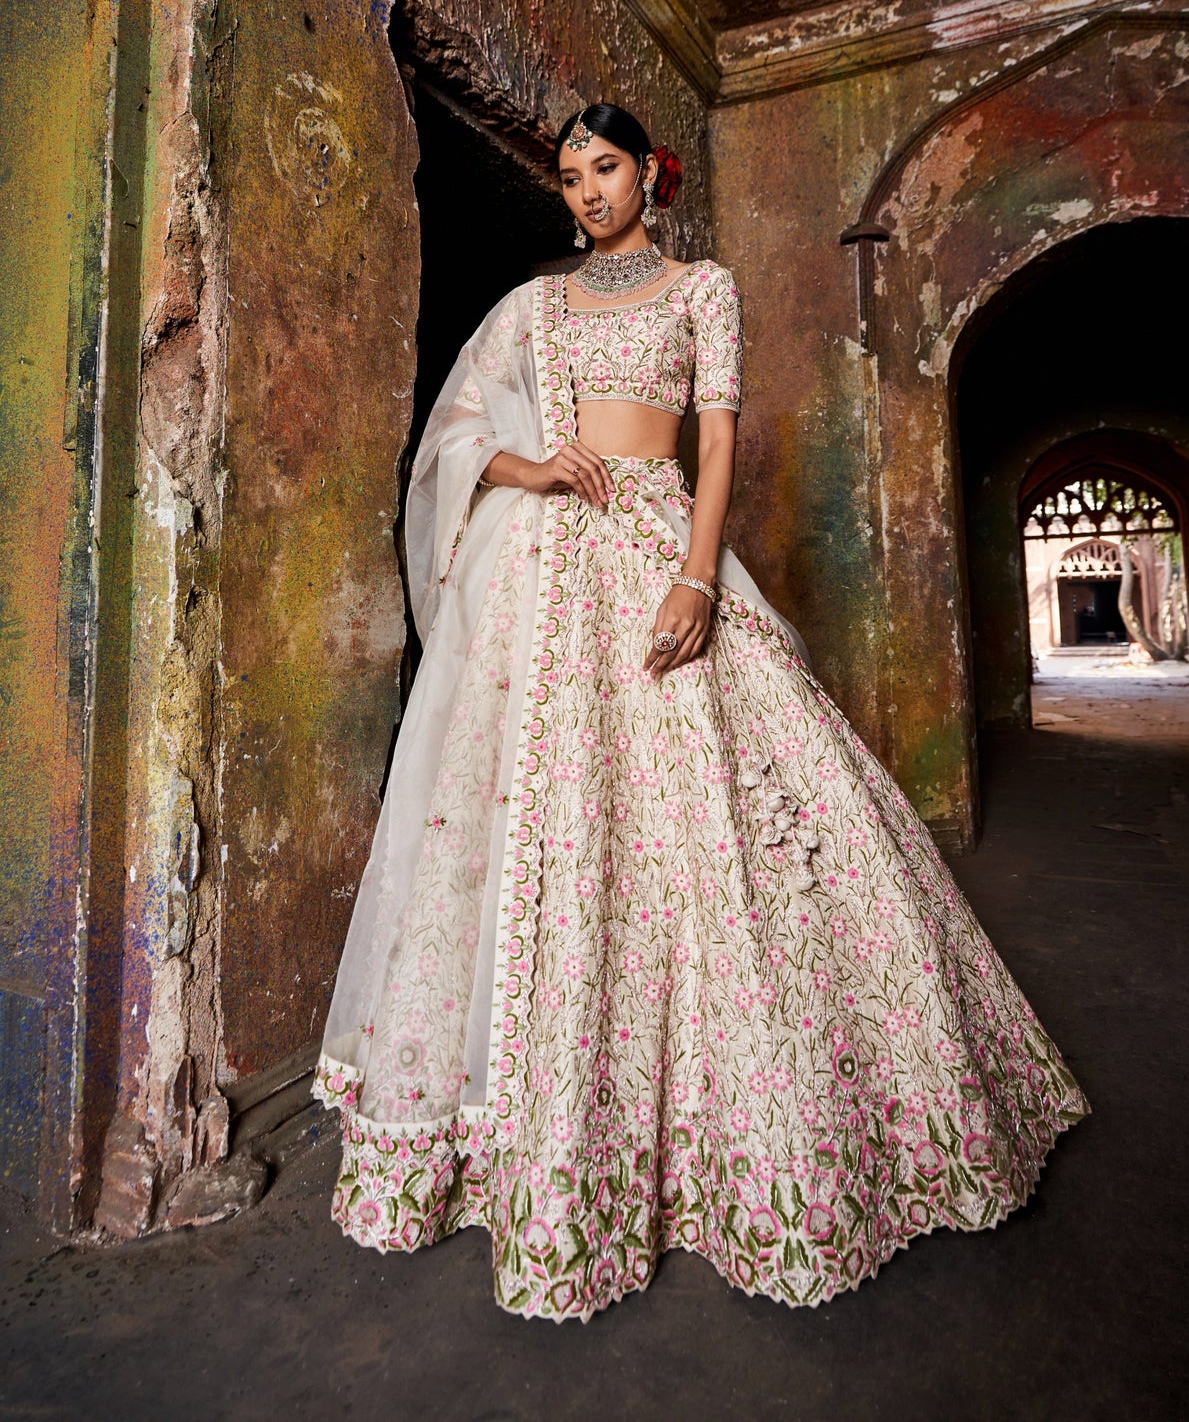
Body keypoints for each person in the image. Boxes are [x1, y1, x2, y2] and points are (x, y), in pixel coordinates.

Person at [314, 102, 1087, 1320]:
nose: (584, 192)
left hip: (658, 553)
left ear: (648, 175)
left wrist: (694, 576)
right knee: (532, 828)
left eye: (604, 168)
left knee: (723, 819)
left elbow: (715, 450)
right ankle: (524, 1134)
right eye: (568, 176)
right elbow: (455, 433)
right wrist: (526, 465)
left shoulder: (701, 291)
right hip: (541, 577)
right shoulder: (531, 308)